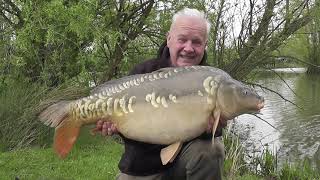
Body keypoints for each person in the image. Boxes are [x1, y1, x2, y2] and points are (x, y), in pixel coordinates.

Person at [95, 8, 226, 180]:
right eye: (182, 39)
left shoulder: (210, 81)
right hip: (143, 168)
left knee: (212, 149)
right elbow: (130, 129)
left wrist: (214, 127)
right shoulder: (144, 72)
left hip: (184, 165)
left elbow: (206, 136)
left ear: (205, 45)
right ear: (169, 39)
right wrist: (115, 127)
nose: (188, 48)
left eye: (196, 42)